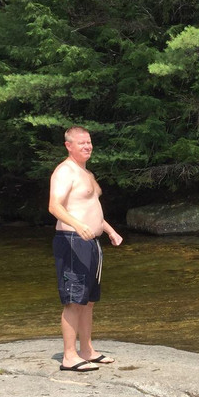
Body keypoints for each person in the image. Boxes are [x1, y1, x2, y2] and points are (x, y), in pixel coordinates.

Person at [48, 126, 124, 373]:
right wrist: (78, 225)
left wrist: (110, 230)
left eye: (89, 142)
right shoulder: (64, 171)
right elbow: (54, 206)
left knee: (88, 301)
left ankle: (87, 350)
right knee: (74, 300)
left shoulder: (86, 173)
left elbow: (90, 209)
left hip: (91, 242)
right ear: (68, 145)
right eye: (81, 143)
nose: (87, 146)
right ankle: (69, 356)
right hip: (72, 240)